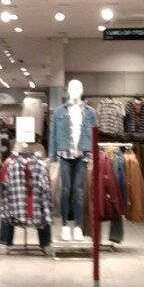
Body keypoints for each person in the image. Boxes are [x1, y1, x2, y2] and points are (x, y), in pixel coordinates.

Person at [48, 79, 98, 241]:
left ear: (82, 90)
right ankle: (64, 226)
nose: (75, 90)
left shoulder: (90, 112)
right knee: (65, 190)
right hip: (64, 154)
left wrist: (93, 155)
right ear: (67, 90)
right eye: (72, 87)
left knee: (78, 191)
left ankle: (77, 226)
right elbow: (53, 134)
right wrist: (52, 157)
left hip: (82, 155)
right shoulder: (59, 111)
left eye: (78, 87)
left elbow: (94, 135)